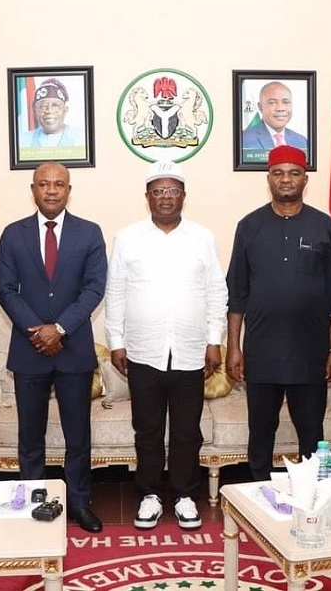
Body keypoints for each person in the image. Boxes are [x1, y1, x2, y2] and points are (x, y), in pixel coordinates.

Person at [104, 161, 228, 531]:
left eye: (172, 190)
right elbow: (116, 293)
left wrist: (214, 340)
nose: (165, 198)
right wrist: (116, 341)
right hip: (143, 350)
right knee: (147, 427)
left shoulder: (203, 238)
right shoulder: (127, 238)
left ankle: (185, 495)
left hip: (191, 351)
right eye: (157, 191)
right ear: (147, 198)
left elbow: (215, 293)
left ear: (183, 196)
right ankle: (150, 496)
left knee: (188, 429)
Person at [226, 145, 331, 481]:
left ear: (305, 179)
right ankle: (258, 497)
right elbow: (236, 294)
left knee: (312, 434)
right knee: (261, 434)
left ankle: (313, 497)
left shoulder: (324, 226)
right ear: (269, 177)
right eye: (279, 172)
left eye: (294, 172)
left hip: (309, 354)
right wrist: (234, 347)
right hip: (262, 353)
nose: (286, 179)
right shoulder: (249, 226)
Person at [0, 161, 107, 533]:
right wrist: (37, 330)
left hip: (73, 348)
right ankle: (33, 500)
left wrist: (59, 328)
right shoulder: (13, 235)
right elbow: (6, 289)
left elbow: (94, 288)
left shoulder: (90, 233)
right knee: (30, 436)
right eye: (44, 184)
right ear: (33, 189)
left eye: (59, 184)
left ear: (69, 189)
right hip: (29, 352)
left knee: (78, 436)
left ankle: (80, 503)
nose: (52, 190)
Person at [240, 81, 308, 153]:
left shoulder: (302, 141)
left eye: (286, 102)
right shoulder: (243, 140)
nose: (280, 108)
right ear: (260, 107)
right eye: (272, 102)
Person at [26, 78, 84, 149]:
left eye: (55, 106)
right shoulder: (23, 140)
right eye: (43, 106)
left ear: (65, 110)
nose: (49, 110)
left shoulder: (82, 138)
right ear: (35, 112)